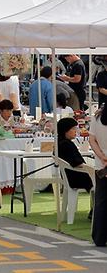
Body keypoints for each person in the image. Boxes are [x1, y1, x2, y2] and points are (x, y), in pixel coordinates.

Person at [57, 117, 93, 191]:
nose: (75, 131)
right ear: (65, 130)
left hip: (70, 176)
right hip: (77, 177)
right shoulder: (66, 144)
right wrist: (92, 169)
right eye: (73, 129)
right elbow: (76, 163)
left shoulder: (60, 142)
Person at [89, 105, 107, 246]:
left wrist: (102, 156)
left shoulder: (97, 118)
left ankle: (99, 237)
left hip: (101, 165)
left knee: (101, 201)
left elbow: (92, 140)